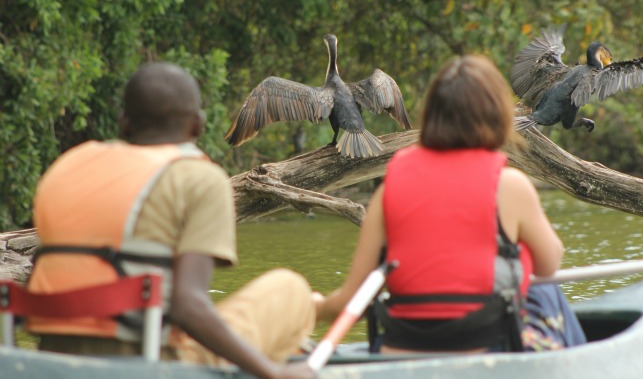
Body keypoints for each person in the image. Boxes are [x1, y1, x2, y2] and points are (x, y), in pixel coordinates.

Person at [27, 62, 317, 379]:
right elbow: (188, 307)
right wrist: (272, 373)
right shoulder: (199, 178)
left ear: (124, 124)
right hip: (151, 358)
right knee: (289, 289)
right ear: (197, 126)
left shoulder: (69, 166)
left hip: (53, 355)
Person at [316, 54, 585, 353]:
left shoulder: (389, 187)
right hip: (484, 348)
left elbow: (351, 299)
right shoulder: (510, 186)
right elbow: (549, 264)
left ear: (432, 116)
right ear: (497, 116)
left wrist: (314, 306)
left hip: (401, 351)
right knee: (547, 293)